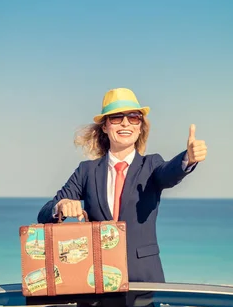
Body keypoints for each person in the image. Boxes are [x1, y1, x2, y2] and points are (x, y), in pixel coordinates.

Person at [37, 87, 207, 282]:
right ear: (104, 126)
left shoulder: (150, 165)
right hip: (97, 285)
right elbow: (43, 214)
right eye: (117, 117)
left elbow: (168, 173)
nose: (126, 123)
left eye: (134, 117)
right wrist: (61, 206)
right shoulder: (86, 171)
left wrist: (188, 159)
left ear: (140, 125)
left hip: (144, 283)